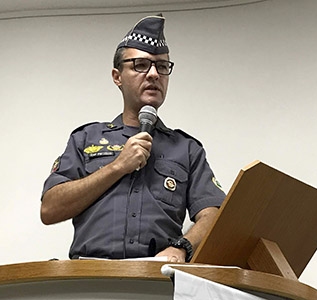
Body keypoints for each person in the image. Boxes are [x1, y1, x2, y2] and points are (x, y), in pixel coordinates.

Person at [40, 15, 226, 263]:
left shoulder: (186, 148)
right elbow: (50, 209)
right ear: (117, 76)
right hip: (90, 276)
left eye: (162, 66)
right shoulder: (86, 138)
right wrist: (118, 166)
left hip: (155, 279)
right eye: (140, 65)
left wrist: (181, 247)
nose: (153, 74)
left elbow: (214, 214)